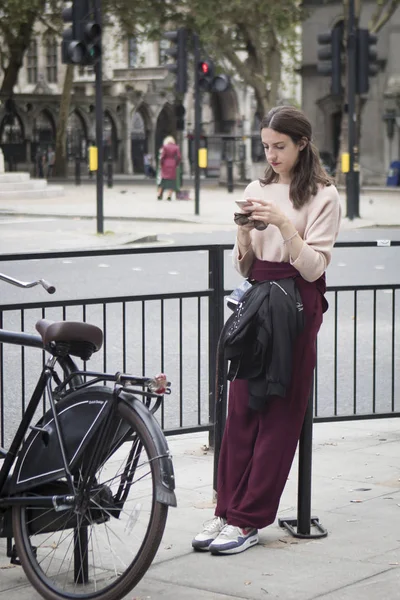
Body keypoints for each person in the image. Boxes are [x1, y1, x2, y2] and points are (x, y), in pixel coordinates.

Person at [192, 105, 342, 555]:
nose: (271, 154)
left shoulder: (323, 194)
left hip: (297, 302)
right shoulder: (257, 187)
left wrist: (280, 223)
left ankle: (249, 519)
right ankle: (225, 509)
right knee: (240, 408)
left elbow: (316, 266)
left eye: (280, 146)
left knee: (278, 413)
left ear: (302, 144)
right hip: (258, 297)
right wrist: (243, 234)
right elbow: (247, 265)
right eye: (265, 146)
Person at [157, 136, 181, 201]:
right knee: (172, 181)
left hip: (165, 164)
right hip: (173, 164)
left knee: (163, 179)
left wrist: (161, 163)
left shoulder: (165, 147)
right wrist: (176, 163)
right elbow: (178, 157)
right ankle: (169, 196)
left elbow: (162, 156)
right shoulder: (176, 147)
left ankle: (159, 194)